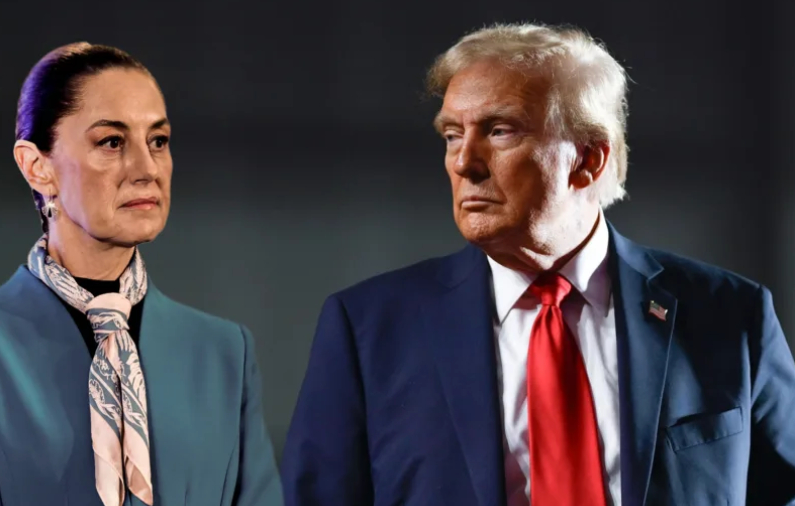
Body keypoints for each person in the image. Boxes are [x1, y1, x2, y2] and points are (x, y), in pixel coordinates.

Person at [281, 23, 795, 506]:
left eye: (499, 130)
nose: (463, 162)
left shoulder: (731, 315)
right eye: (452, 134)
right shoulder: (368, 328)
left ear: (588, 159)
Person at [0, 43, 282, 506]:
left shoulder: (224, 351)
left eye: (158, 141)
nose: (147, 169)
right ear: (36, 167)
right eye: (112, 142)